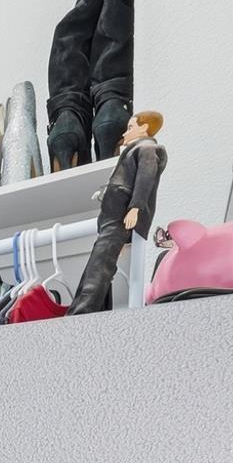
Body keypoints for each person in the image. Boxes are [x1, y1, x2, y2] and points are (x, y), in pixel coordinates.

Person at [70, 109, 165, 314]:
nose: (124, 133)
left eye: (130, 128)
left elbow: (145, 179)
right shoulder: (135, 150)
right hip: (114, 216)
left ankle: (81, 313)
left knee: (99, 268)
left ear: (144, 127)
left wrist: (135, 208)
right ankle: (82, 309)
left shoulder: (148, 148)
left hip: (120, 216)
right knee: (99, 266)